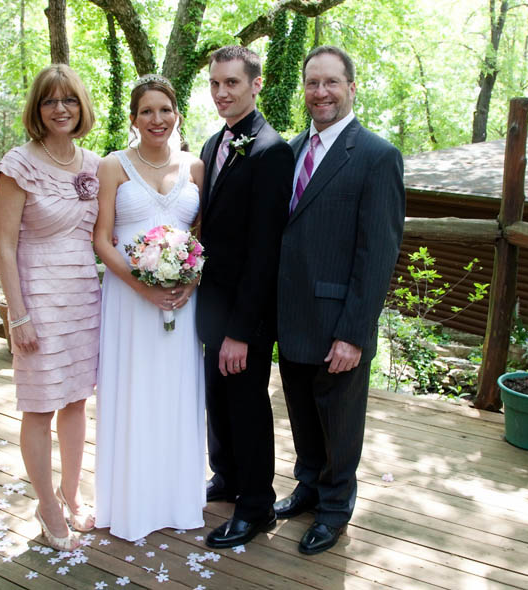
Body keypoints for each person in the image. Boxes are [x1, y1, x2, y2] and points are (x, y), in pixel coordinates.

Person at [274, 45, 405, 555]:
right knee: (303, 417)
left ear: (351, 88)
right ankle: (308, 487)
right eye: (313, 83)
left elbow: (378, 254)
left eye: (331, 82)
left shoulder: (376, 156)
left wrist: (354, 333)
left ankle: (333, 509)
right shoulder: (289, 151)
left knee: (340, 424)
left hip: (339, 323)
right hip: (292, 317)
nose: (320, 92)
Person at [93, 75, 206, 541]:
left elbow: (202, 235)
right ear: (133, 118)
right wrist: (142, 286)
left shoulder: (196, 166)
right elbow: (102, 239)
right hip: (129, 299)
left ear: (177, 114)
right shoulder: (112, 166)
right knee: (133, 391)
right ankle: (130, 502)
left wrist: (191, 279)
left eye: (165, 110)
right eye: (146, 111)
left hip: (182, 300)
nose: (156, 119)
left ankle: (176, 500)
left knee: (175, 393)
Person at [0, 64, 101, 551]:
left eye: (70, 100)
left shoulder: (95, 164)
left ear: (82, 106)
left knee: (76, 401)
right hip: (37, 298)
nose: (61, 109)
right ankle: (47, 506)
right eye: (50, 100)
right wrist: (18, 316)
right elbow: (4, 246)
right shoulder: (19, 164)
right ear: (37, 109)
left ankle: (71, 494)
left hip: (83, 298)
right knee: (39, 407)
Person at [196, 46, 294, 549]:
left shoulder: (272, 151)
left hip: (245, 315)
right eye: (215, 83)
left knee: (247, 405)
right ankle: (227, 477)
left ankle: (256, 506)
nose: (221, 92)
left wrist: (241, 331)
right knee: (218, 399)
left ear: (256, 84)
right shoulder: (214, 143)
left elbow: (264, 251)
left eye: (231, 82)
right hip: (211, 306)